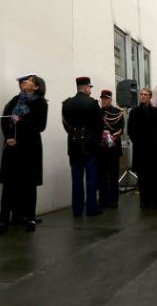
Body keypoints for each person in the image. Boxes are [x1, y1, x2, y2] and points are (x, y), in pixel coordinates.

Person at [0, 74, 48, 234]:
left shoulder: (41, 103)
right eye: (25, 80)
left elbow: (40, 125)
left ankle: (30, 218)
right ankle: (4, 221)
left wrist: (22, 121)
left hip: (30, 148)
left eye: (30, 80)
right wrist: (9, 137)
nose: (25, 81)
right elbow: (4, 119)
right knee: (9, 184)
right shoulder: (15, 100)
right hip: (13, 147)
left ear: (36, 87)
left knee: (29, 184)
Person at [62, 77, 104, 217]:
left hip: (73, 144)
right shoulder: (92, 103)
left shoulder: (67, 103)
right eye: (89, 88)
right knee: (91, 177)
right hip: (90, 144)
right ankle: (92, 208)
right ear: (86, 88)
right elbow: (99, 125)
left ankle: (77, 209)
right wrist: (96, 140)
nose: (90, 90)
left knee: (77, 178)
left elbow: (66, 125)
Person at [128, 88, 157, 207]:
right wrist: (137, 142)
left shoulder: (156, 112)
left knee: (154, 174)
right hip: (140, 148)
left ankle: (154, 199)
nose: (143, 96)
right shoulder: (134, 112)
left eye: (146, 94)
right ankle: (143, 200)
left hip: (153, 148)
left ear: (150, 97)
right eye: (141, 94)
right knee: (142, 176)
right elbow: (130, 131)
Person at [98, 90, 125, 209]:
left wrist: (111, 136)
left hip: (113, 149)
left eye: (106, 99)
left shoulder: (118, 112)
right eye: (102, 99)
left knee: (113, 176)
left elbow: (121, 129)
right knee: (102, 176)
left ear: (110, 99)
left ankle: (114, 200)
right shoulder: (97, 112)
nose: (104, 101)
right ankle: (103, 199)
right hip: (101, 149)